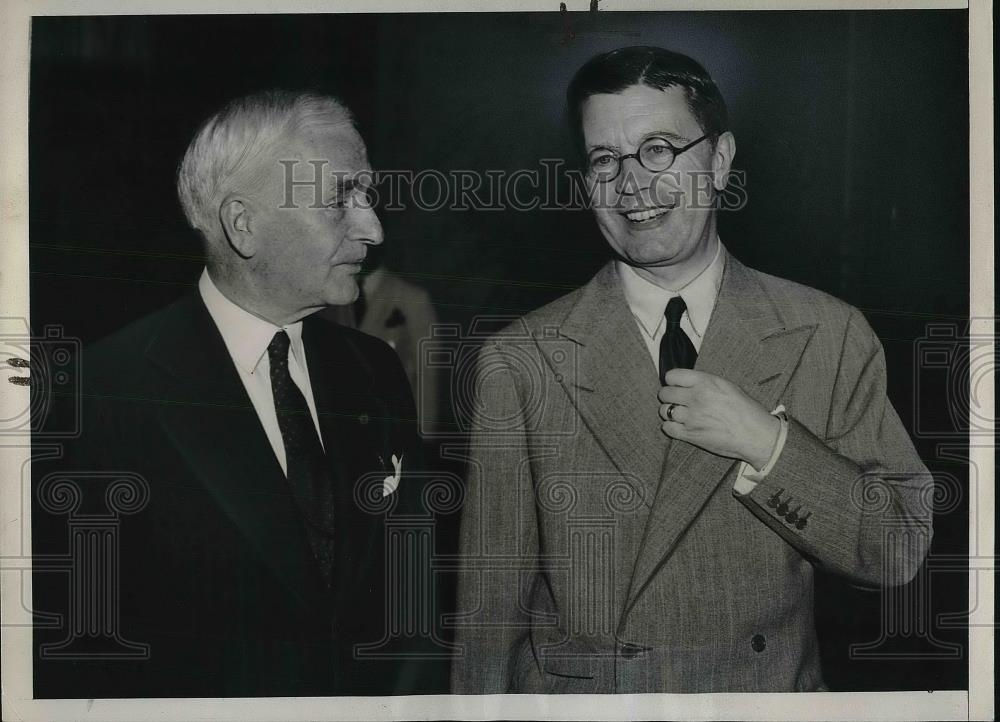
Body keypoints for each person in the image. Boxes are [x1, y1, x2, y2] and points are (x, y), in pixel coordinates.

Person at [451, 46, 934, 694]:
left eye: (657, 150)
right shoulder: (522, 359)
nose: (631, 187)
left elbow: (897, 547)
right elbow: (489, 624)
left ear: (722, 159)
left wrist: (769, 444)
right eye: (604, 161)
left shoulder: (827, 333)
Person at [32, 90, 446, 697]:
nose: (374, 228)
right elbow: (80, 661)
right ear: (243, 224)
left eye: (368, 195)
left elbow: (411, 607)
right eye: (340, 200)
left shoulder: (375, 371)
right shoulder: (101, 396)